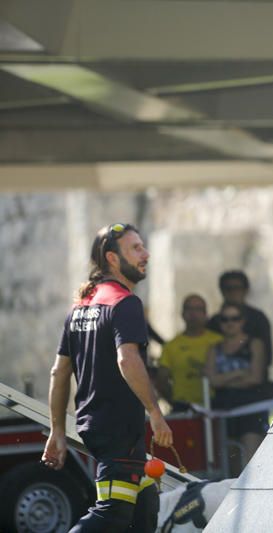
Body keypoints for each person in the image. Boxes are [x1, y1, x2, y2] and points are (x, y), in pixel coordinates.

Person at [42, 223, 172, 532]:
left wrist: (57, 430)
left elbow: (59, 372)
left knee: (145, 504)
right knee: (112, 513)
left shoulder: (81, 307)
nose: (146, 254)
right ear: (112, 258)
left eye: (143, 246)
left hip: (96, 426)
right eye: (136, 249)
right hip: (118, 430)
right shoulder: (125, 303)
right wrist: (155, 412)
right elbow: (127, 360)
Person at [205, 302, 268, 471]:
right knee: (230, 465)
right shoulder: (214, 348)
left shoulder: (255, 343)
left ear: (243, 321)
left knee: (252, 463)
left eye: (235, 318)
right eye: (225, 319)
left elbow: (255, 378)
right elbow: (212, 380)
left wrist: (224, 378)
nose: (230, 323)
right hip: (223, 407)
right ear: (220, 323)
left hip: (251, 407)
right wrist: (239, 373)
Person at [208, 270, 273, 391]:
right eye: (229, 288)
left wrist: (223, 380)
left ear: (245, 290)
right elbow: (211, 376)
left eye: (237, 288)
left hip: (254, 394)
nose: (233, 292)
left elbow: (266, 360)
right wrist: (239, 373)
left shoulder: (259, 319)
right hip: (222, 398)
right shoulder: (213, 322)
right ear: (222, 291)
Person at [156, 294, 222, 410]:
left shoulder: (219, 342)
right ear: (182, 314)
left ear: (206, 314)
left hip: (216, 405)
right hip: (184, 407)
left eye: (198, 309)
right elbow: (161, 381)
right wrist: (176, 403)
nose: (193, 314)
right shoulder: (170, 346)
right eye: (189, 309)